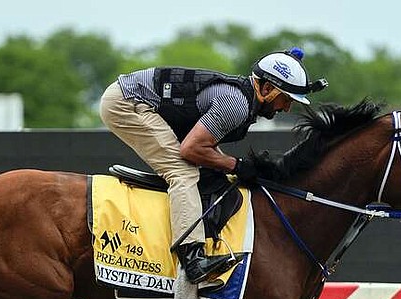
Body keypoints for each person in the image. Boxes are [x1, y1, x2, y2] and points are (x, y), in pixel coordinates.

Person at [100, 48, 327, 284]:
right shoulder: (236, 105)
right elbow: (190, 150)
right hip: (127, 102)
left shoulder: (241, 101)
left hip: (141, 98)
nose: (287, 108)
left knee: (211, 170)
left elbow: (203, 147)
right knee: (183, 173)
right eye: (287, 99)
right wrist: (236, 165)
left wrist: (232, 166)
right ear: (267, 89)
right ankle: (192, 259)